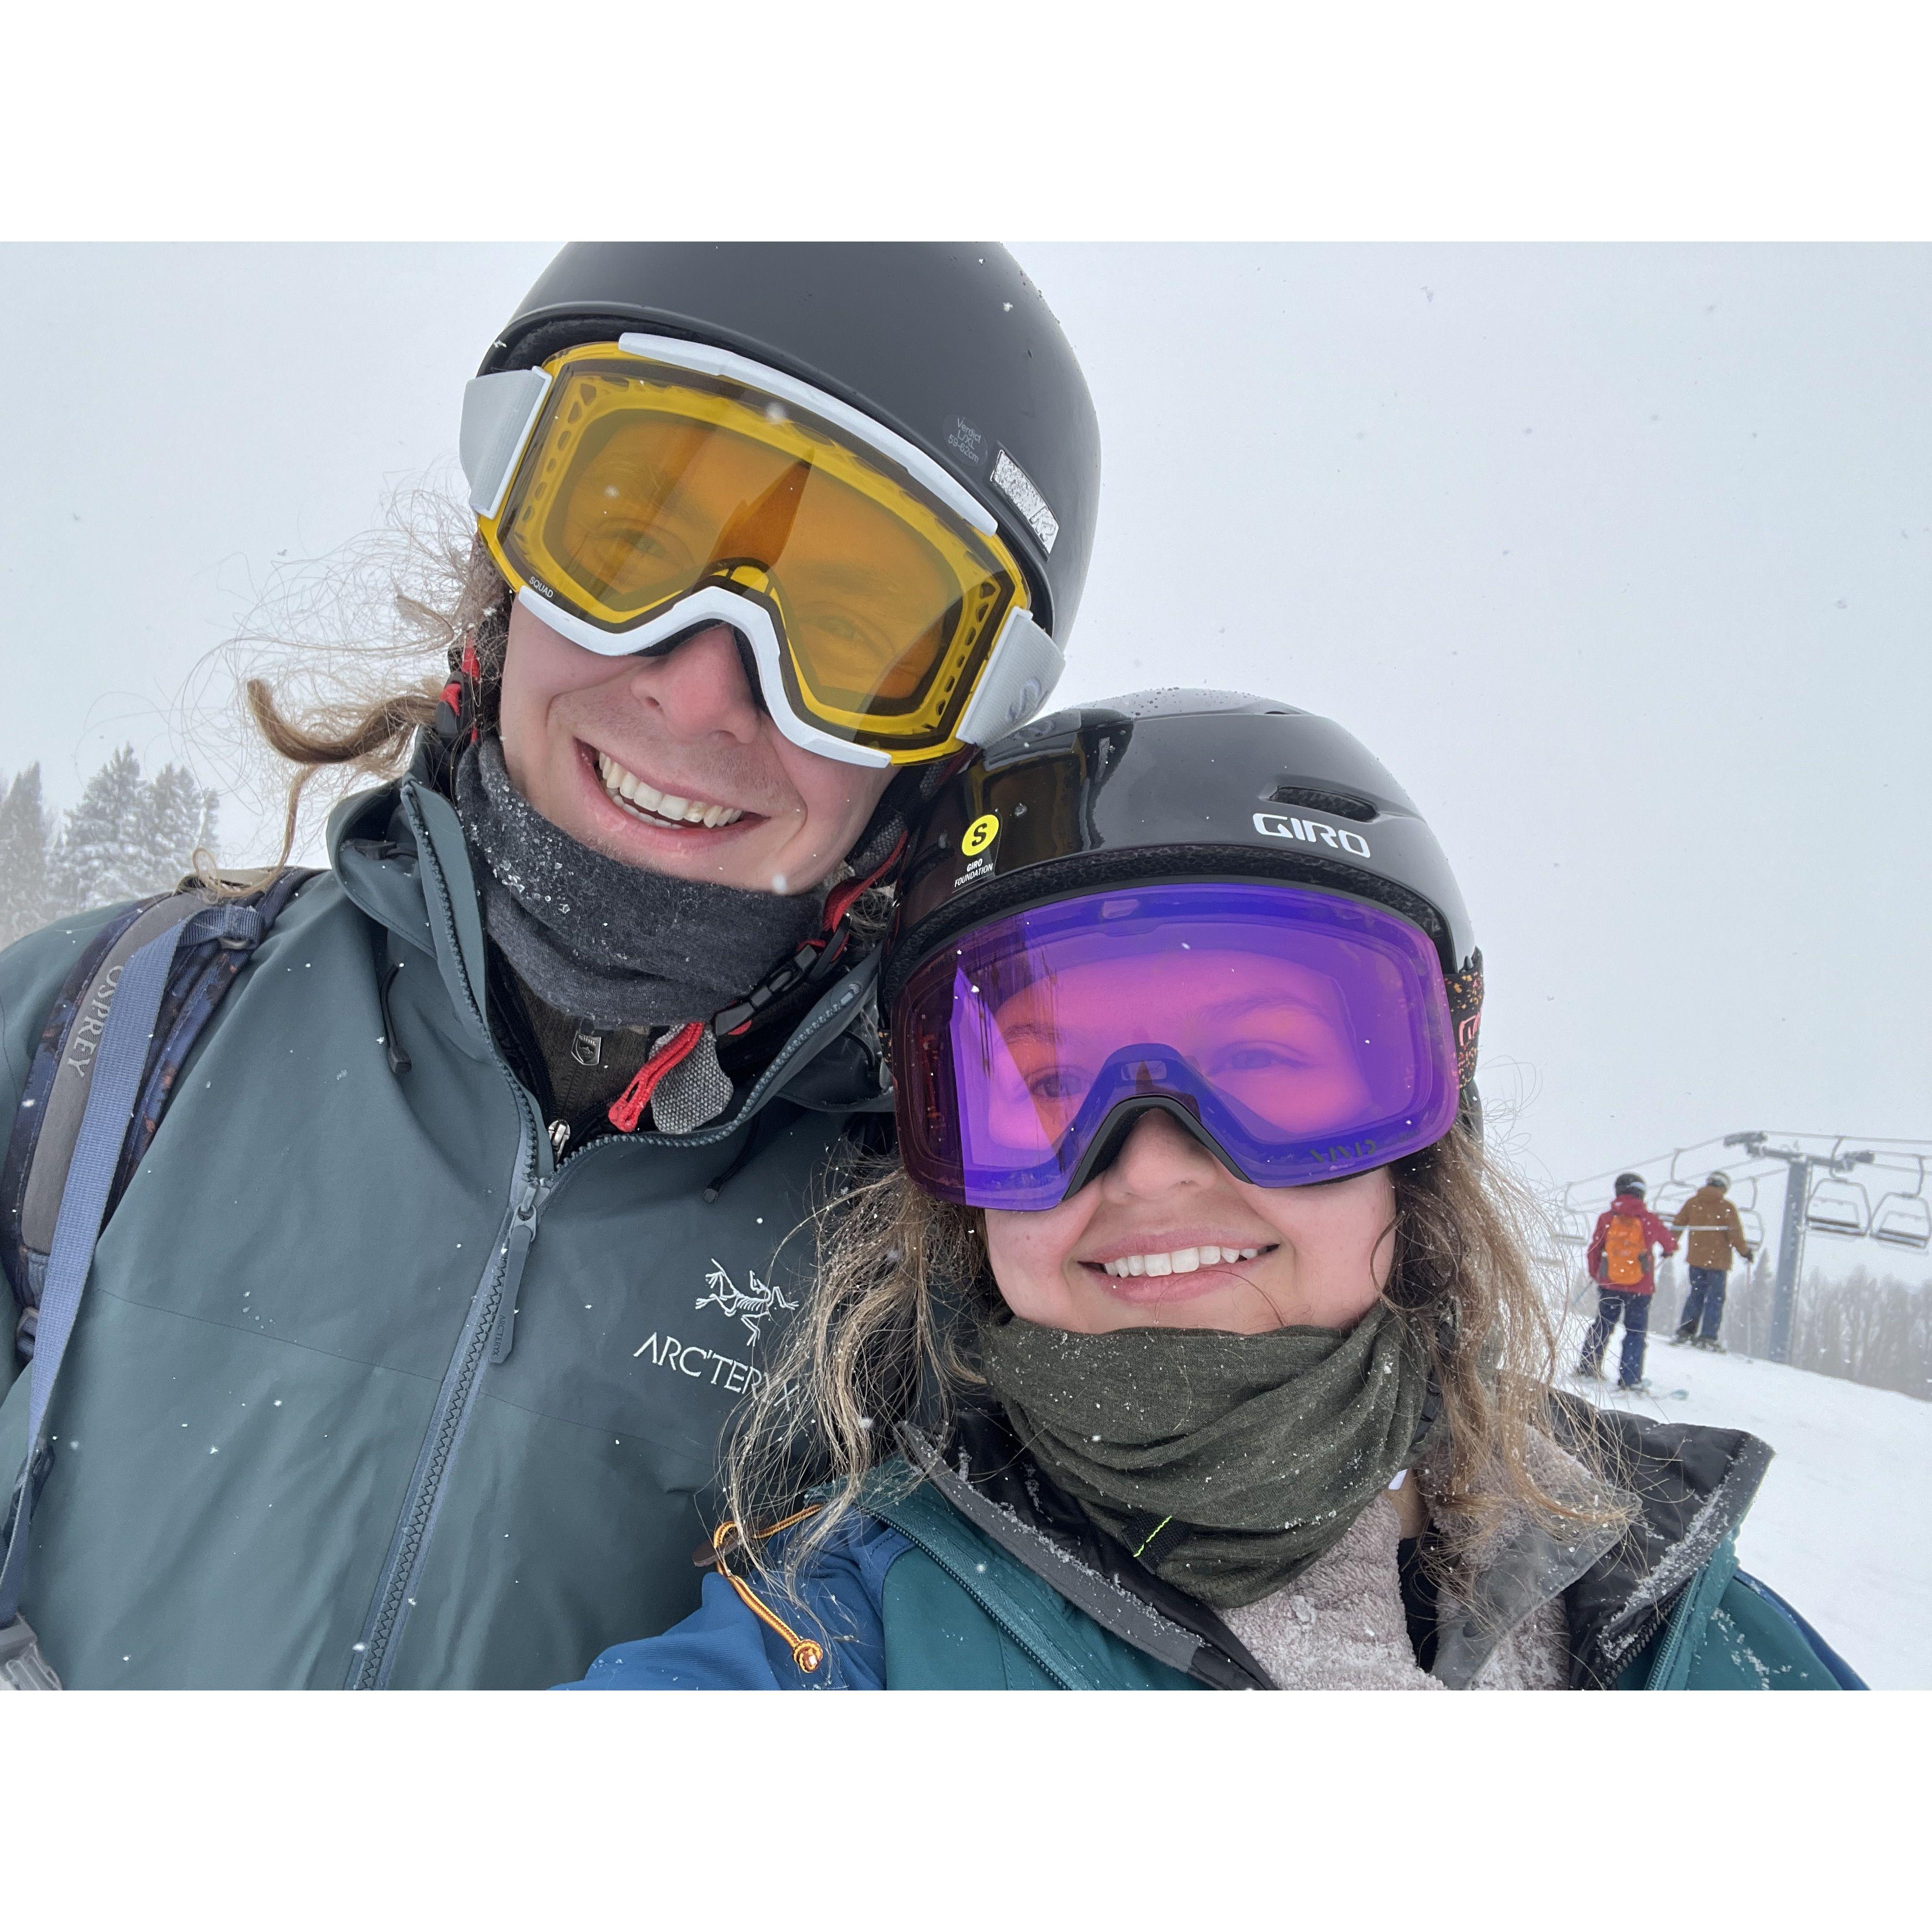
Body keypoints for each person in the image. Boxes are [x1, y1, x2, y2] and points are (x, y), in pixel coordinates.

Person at [0, 243, 1101, 1689]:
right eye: (632, 546)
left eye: (844, 634)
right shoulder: (113, 1038)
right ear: (505, 565)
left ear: (942, 738)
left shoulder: (947, 1239)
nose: (701, 687)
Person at [560, 692, 1857, 1691]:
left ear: (1421, 1138)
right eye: (1048, 1095)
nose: (1155, 1164)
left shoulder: (1646, 1599)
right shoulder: (846, 1641)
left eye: (1267, 1070)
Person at [1578, 1173, 1679, 1391]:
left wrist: (1597, 1274)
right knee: (1635, 1332)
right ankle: (1630, 1379)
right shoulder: (1649, 1220)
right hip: (1640, 1287)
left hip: (1610, 1284)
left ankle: (1588, 1366)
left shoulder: (1607, 1218)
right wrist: (1668, 1250)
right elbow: (1670, 1244)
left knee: (1603, 1325)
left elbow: (1595, 1249)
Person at [1671, 1172, 1753, 1350]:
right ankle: (1708, 1337)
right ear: (1724, 1187)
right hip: (1718, 1262)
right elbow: (1735, 1234)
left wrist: (1670, 1245)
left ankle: (1686, 1331)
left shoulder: (1693, 1203)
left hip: (1696, 1259)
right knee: (1715, 1299)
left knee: (1696, 1295)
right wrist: (1745, 1252)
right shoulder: (1726, 1207)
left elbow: (1678, 1225)